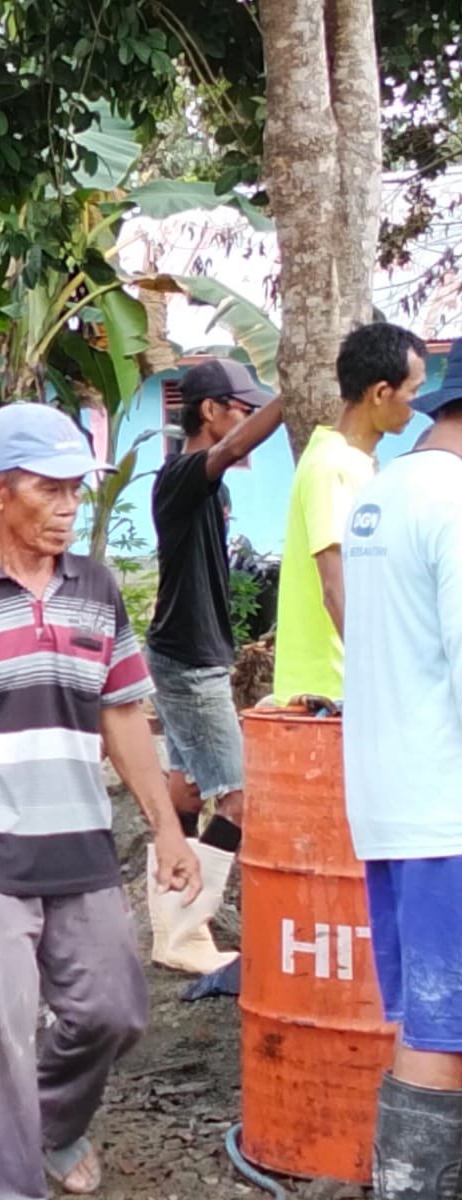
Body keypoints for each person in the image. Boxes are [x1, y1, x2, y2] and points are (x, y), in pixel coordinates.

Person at [0, 403, 201, 1200]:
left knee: (115, 1012)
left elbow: (122, 712)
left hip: (81, 847)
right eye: (48, 491)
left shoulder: (97, 590)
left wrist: (166, 828)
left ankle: (50, 1122)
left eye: (75, 492)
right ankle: (8, 1184)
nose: (67, 508)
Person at [342, 347, 462, 1198]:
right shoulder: (456, 504)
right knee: (443, 1030)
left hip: (390, 804)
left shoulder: (378, 495)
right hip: (449, 812)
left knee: (428, 1018)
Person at [143, 359, 284, 975]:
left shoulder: (210, 488)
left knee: (188, 788)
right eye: (241, 406)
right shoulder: (179, 477)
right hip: (189, 658)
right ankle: (186, 928)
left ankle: (168, 921)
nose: (248, 417)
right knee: (238, 803)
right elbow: (233, 449)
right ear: (210, 411)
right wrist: (294, 397)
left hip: (186, 650)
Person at [274, 323, 427, 702]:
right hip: (332, 690)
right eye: (415, 391)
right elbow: (334, 588)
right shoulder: (333, 466)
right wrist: (379, 678)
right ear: (380, 392)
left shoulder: (353, 462)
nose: (418, 404)